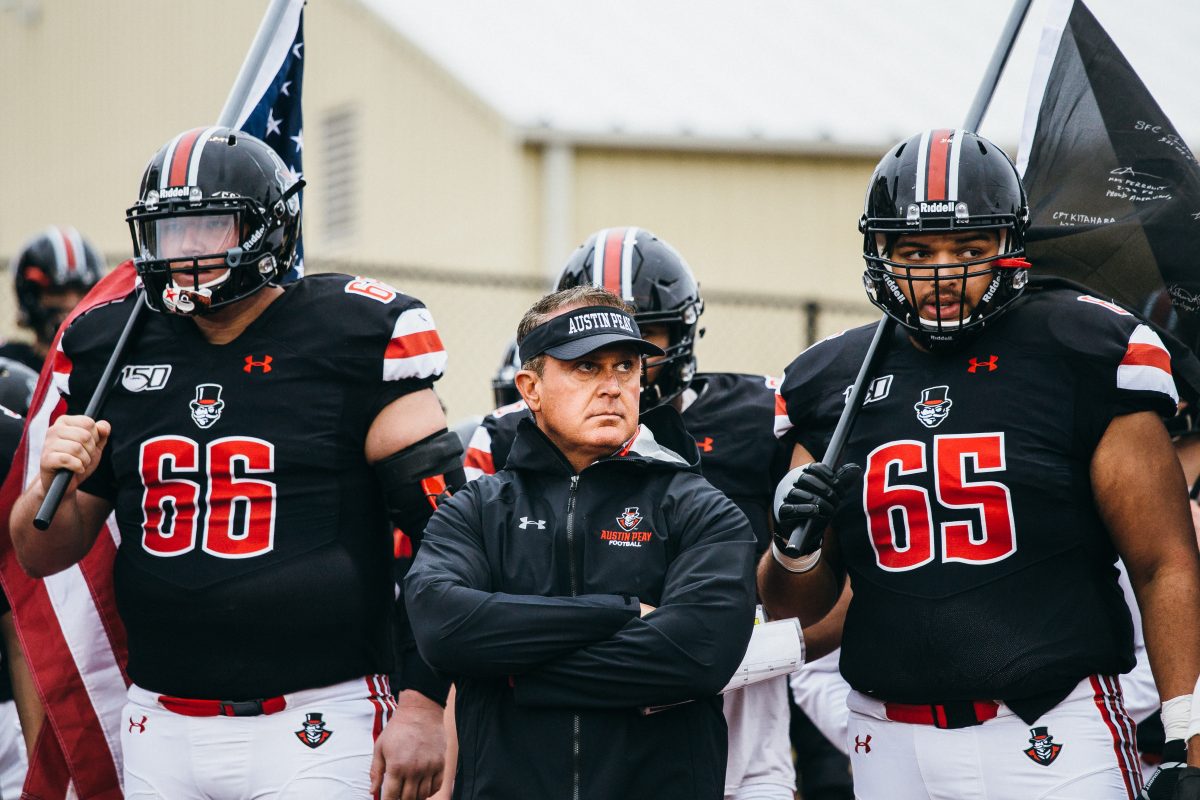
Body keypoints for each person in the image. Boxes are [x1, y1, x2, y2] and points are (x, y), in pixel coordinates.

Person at [9, 127, 461, 800]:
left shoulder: (354, 334)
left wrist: (423, 702)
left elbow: (447, 541)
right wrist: (49, 482)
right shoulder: (111, 343)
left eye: (209, 227)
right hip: (158, 720)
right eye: (170, 232)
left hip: (317, 720)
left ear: (268, 229)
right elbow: (41, 553)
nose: (186, 253)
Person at [762, 129, 1200, 800]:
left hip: (1051, 729)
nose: (943, 271)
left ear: (1009, 247)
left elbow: (1162, 561)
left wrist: (1187, 741)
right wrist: (791, 550)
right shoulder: (830, 379)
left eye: (969, 248)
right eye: (917, 250)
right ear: (881, 251)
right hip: (886, 736)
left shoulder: (1084, 347)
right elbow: (797, 606)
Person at [463, 227, 812, 799]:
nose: (614, 373)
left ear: (680, 332)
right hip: (556, 723)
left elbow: (805, 576)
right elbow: (451, 607)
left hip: (742, 688)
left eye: (641, 338)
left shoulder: (759, 414)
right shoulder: (502, 438)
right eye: (583, 359)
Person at [406, 286, 757, 800]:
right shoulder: (476, 508)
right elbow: (443, 626)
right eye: (587, 368)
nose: (612, 386)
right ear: (531, 387)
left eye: (626, 367)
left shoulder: (701, 506)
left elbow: (699, 652)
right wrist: (620, 613)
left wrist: (516, 678)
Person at [2, 226, 105, 371]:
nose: (71, 303)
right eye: (58, 291)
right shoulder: (8, 364)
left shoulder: (109, 364)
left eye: (82, 291)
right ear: (30, 295)